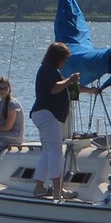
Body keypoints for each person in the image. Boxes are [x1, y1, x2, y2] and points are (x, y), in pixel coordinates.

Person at [30, 41, 74, 200]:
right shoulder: (48, 69)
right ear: (58, 57)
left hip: (44, 115)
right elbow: (54, 88)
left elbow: (64, 86)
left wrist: (92, 90)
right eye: (64, 59)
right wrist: (69, 80)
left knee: (48, 153)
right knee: (56, 152)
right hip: (48, 115)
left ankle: (39, 187)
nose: (65, 62)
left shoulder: (51, 71)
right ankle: (58, 190)